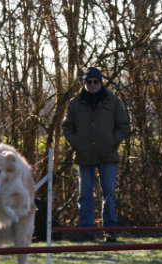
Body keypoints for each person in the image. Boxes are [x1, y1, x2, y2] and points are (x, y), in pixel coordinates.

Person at [62, 66, 129, 242]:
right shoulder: (75, 103)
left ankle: (110, 231)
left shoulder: (112, 102)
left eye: (95, 81)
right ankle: (86, 231)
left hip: (108, 155)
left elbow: (123, 126)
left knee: (108, 193)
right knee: (85, 195)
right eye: (88, 82)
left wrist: (113, 141)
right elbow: (67, 127)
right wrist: (76, 144)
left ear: (100, 82)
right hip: (84, 156)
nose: (92, 85)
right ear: (84, 83)